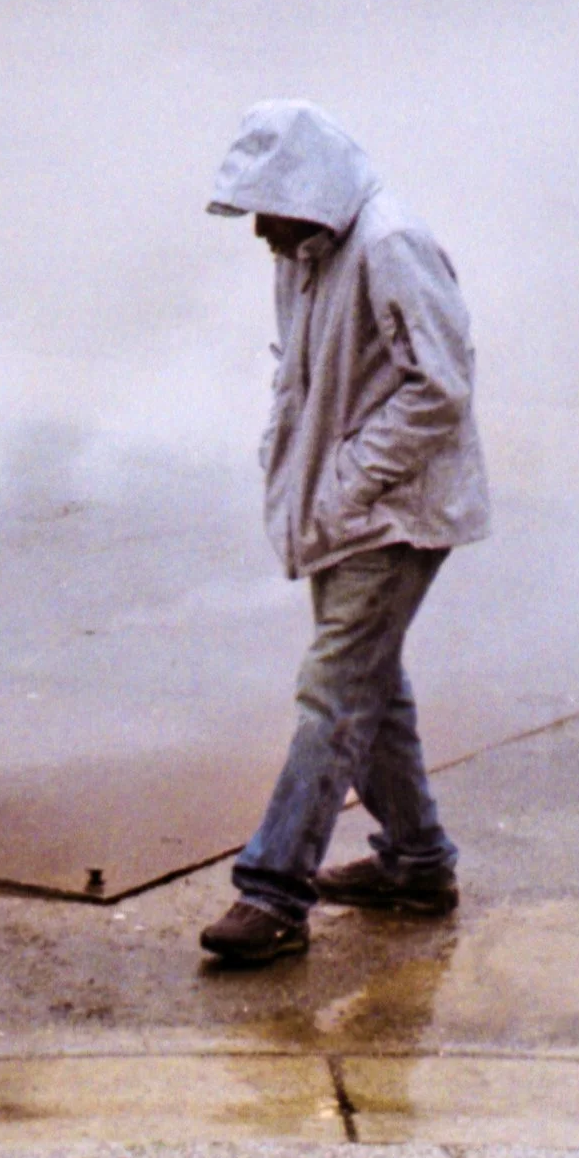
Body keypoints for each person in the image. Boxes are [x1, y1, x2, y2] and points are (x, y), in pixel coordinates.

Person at [198, 100, 490, 967]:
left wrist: (351, 480)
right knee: (370, 687)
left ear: (308, 191)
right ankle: (418, 865)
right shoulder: (307, 251)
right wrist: (293, 467)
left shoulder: (390, 244)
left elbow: (441, 387)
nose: (259, 231)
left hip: (396, 512)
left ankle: (273, 891)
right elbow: (297, 372)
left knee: (333, 692)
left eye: (267, 208)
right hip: (348, 506)